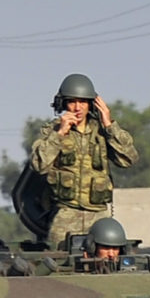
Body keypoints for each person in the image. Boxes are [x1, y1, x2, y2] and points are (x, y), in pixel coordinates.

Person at [31, 73, 137, 248]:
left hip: (98, 215)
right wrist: (59, 134)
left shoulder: (102, 131)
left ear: (91, 104)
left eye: (83, 102)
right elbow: (38, 165)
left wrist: (109, 125)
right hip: (65, 213)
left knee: (103, 259)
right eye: (72, 102)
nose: (77, 107)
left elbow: (128, 159)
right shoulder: (52, 131)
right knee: (59, 259)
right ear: (63, 104)